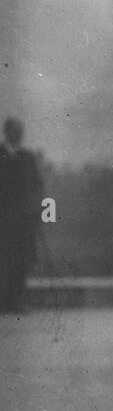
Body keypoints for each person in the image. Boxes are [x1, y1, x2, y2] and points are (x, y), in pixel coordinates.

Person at [0, 118, 43, 313]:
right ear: (6, 132)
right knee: (5, 261)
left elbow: (38, 186)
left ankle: (17, 302)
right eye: (15, 131)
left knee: (21, 261)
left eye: (21, 131)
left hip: (23, 220)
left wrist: (37, 211)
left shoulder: (28, 157)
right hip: (4, 220)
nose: (19, 134)